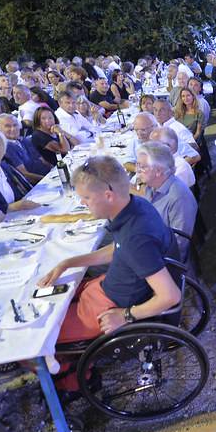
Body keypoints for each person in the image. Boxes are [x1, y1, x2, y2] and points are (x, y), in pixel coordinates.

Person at [38, 156, 180, 391]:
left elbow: (170, 296)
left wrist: (124, 316)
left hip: (109, 306)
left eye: (86, 198)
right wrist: (68, 263)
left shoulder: (136, 238)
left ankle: (70, 380)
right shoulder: (137, 204)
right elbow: (119, 250)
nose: (83, 203)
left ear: (108, 195)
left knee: (37, 338)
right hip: (106, 288)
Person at [135, 142, 197, 259]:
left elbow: (178, 246)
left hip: (162, 263)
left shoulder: (178, 197)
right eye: (137, 165)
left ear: (158, 171)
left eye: (142, 167)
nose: (137, 171)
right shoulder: (151, 186)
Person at [0, 113, 48, 181]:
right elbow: (25, 175)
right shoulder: (7, 147)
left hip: (48, 175)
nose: (13, 129)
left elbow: (42, 160)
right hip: (38, 183)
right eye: (7, 126)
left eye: (15, 125)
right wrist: (47, 179)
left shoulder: (24, 140)